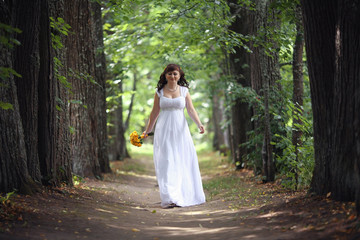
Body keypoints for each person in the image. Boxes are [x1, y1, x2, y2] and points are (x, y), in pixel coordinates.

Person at [142, 63, 206, 208]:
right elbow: (154, 113)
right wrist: (147, 130)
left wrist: (199, 124)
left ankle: (182, 194)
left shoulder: (184, 91)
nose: (172, 76)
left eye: (175, 73)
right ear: (165, 75)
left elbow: (190, 110)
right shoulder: (159, 91)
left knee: (181, 160)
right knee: (167, 161)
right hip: (163, 130)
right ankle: (170, 196)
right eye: (170, 73)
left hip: (180, 130)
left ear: (180, 75)